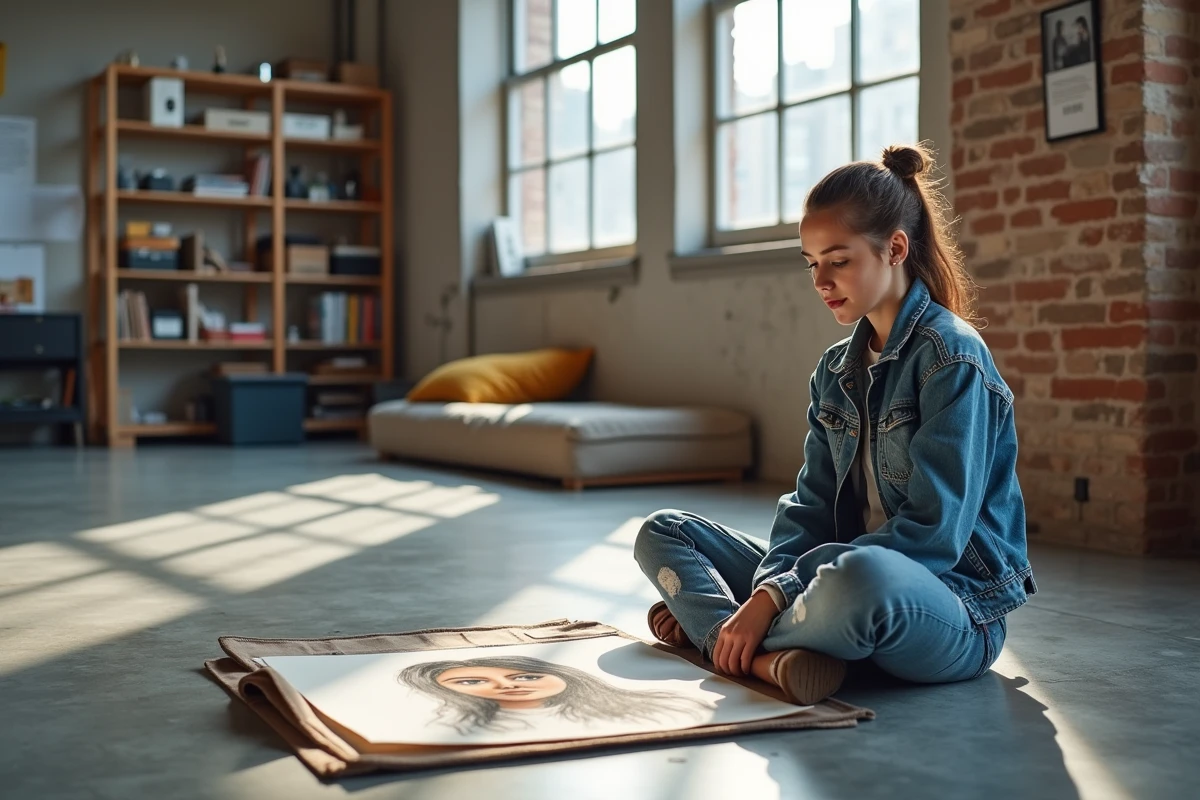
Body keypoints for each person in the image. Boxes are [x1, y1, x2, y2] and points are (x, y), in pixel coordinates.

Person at [634, 143, 1035, 706]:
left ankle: (719, 636)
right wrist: (775, 586)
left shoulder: (953, 359)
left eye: (838, 260)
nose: (820, 280)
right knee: (663, 530)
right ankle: (764, 652)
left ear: (895, 248)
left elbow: (932, 536)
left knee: (862, 576)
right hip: (827, 586)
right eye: (811, 262)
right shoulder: (834, 370)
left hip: (947, 607)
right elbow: (809, 509)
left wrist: (768, 600)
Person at [397, 655, 713, 735]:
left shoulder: (657, 710)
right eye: (469, 683)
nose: (506, 686)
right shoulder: (454, 729)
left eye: (526, 675)